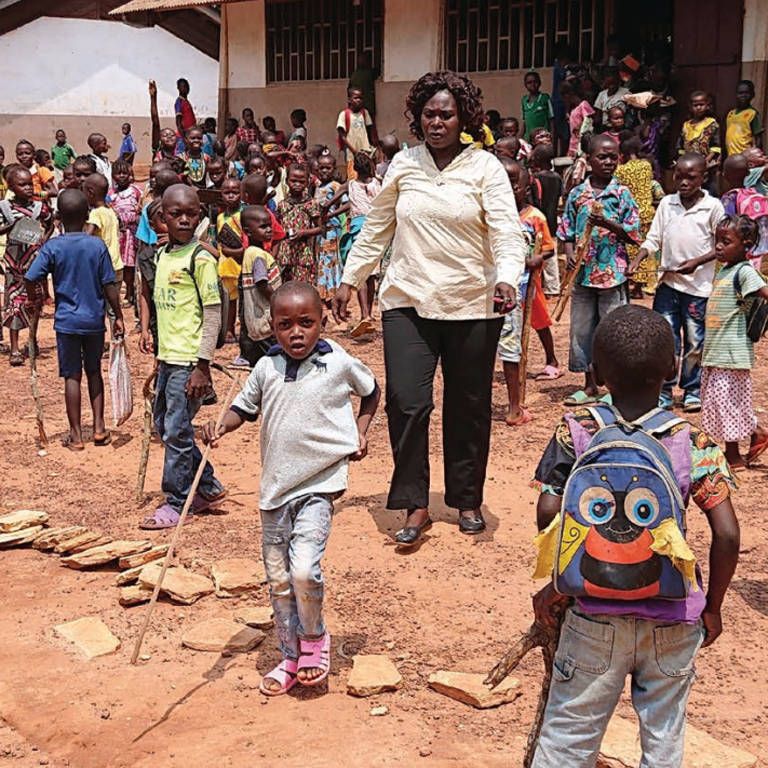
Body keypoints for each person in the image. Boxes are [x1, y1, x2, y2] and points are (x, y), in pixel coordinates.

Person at [530, 304, 739, 768]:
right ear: (670, 368)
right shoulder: (692, 441)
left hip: (592, 614)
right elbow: (726, 533)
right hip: (674, 615)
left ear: (598, 371)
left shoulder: (576, 431)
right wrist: (713, 605)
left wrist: (558, 584)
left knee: (568, 736)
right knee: (664, 738)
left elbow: (549, 508)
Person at [332, 70, 526, 542]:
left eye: (447, 114)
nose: (437, 121)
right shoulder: (402, 165)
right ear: (419, 118)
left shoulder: (485, 168)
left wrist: (506, 277)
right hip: (408, 300)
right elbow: (376, 228)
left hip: (472, 304)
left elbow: (505, 230)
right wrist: (349, 277)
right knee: (407, 402)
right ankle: (414, 504)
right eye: (429, 114)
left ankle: (466, 499)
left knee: (469, 406)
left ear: (464, 118)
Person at [202, 281, 380, 694]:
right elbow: (242, 409)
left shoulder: (337, 361)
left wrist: (361, 431)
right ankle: (290, 655)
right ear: (272, 326)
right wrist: (219, 428)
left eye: (306, 323)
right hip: (275, 490)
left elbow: (371, 394)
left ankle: (314, 640)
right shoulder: (266, 367)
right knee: (279, 579)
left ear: (321, 322)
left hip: (320, 483)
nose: (296, 333)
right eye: (285, 325)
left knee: (303, 569)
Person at [139, 184, 226, 529]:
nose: (185, 219)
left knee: (175, 431)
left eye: (191, 213)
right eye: (176, 214)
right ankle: (207, 486)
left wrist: (203, 365)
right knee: (167, 427)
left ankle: (176, 501)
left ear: (200, 216)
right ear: (163, 218)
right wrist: (159, 356)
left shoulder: (199, 259)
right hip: (169, 358)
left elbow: (212, 313)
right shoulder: (163, 257)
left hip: (191, 361)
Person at [24, 189, 124, 450]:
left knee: (72, 376)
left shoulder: (53, 246)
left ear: (58, 216)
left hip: (67, 322)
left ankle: (77, 436)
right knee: (94, 372)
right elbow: (109, 284)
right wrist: (119, 316)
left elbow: (30, 276)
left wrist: (32, 298)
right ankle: (100, 428)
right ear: (87, 215)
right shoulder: (96, 245)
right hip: (94, 321)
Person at [628, 153, 724, 412]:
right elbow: (653, 239)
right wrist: (638, 260)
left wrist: (697, 262)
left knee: (695, 341)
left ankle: (692, 390)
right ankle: (665, 390)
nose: (683, 182)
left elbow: (722, 245)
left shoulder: (713, 207)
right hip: (668, 286)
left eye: (690, 177)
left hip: (698, 289)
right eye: (678, 176)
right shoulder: (667, 204)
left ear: (703, 178)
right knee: (665, 340)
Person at [558, 134, 640, 405]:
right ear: (589, 160)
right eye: (601, 157)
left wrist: (608, 224)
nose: (607, 162)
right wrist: (569, 255)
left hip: (612, 275)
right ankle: (589, 385)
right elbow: (566, 231)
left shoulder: (621, 194)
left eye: (612, 157)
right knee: (582, 331)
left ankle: (615, 386)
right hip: (582, 275)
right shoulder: (577, 193)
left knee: (612, 330)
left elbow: (633, 234)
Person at [701, 214, 768, 469]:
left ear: (746, 243)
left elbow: (764, 292)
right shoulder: (725, 271)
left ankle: (733, 455)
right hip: (717, 349)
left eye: (726, 241)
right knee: (720, 403)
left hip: (732, 351)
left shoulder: (745, 271)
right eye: (717, 241)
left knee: (727, 403)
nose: (719, 246)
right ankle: (755, 433)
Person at [498, 158, 559, 426]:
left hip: (526, 285)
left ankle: (516, 403)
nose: (510, 190)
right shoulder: (491, 215)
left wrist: (536, 260)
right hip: (498, 288)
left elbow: (548, 247)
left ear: (525, 187)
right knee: (503, 339)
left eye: (515, 185)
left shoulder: (535, 217)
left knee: (534, 325)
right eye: (504, 184)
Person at [0, 166, 53, 365]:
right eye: (22, 185)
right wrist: (10, 227)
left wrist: (43, 242)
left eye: (30, 184)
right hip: (14, 264)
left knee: (34, 302)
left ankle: (32, 339)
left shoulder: (39, 207)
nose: (28, 188)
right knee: (14, 303)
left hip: (34, 262)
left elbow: (50, 224)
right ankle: (14, 348)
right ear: (11, 187)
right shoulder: (5, 208)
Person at [615, 135, 664, 297]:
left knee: (633, 250)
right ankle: (648, 283)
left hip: (631, 215)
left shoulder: (620, 170)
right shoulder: (646, 166)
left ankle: (636, 284)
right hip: (648, 212)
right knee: (647, 247)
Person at [340, 152, 382, 336]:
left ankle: (364, 314)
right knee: (371, 272)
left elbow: (337, 200)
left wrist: (327, 210)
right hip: (375, 228)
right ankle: (369, 314)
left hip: (359, 229)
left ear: (354, 169)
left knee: (361, 272)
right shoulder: (377, 183)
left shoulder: (350, 185)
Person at [237, 206, 282, 366]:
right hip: (266, 321)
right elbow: (262, 283)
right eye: (263, 227)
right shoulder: (258, 255)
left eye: (269, 225)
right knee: (277, 361)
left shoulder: (250, 252)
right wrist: (279, 301)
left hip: (256, 322)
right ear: (248, 232)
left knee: (259, 363)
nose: (269, 230)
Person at [274, 164, 322, 283]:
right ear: (286, 181)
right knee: (285, 287)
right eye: (293, 181)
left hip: (303, 253)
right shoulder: (282, 205)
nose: (297, 184)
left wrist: (303, 233)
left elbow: (321, 228)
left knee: (301, 287)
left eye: (301, 181)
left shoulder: (310, 204)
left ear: (307, 183)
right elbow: (277, 230)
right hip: (285, 253)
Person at [529, 143, 563, 298]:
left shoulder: (536, 179)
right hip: (553, 220)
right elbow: (560, 200)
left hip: (540, 221)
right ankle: (553, 287)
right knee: (552, 255)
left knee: (540, 253)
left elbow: (535, 201)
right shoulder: (557, 178)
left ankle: (541, 287)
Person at [314, 154, 348, 305]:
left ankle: (333, 293)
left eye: (328, 168)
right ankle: (324, 292)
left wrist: (331, 214)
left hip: (332, 229)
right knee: (322, 259)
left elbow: (347, 203)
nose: (324, 171)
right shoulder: (317, 187)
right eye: (321, 168)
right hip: (321, 230)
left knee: (331, 260)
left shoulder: (335, 186)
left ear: (334, 169)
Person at [109, 160, 142, 308]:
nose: (121, 176)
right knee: (118, 264)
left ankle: (130, 292)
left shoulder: (136, 191)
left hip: (132, 234)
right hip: (118, 235)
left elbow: (141, 209)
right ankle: (116, 295)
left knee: (130, 265)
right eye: (118, 173)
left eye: (125, 173)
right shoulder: (110, 194)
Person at [216, 176, 245, 345]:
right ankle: (228, 330)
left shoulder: (243, 215)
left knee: (244, 302)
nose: (231, 196)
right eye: (227, 193)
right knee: (229, 302)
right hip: (225, 266)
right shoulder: (220, 218)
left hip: (240, 265)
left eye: (235, 192)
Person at [678, 90, 721, 195]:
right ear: (690, 107)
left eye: (701, 105)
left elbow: (715, 146)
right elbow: (680, 146)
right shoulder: (686, 125)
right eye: (695, 105)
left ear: (707, 106)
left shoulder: (711, 124)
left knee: (708, 191)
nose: (698, 107)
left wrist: (705, 161)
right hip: (689, 167)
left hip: (706, 166)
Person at [337, 86, 374, 181]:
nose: (359, 100)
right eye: (356, 98)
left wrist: (371, 146)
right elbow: (342, 136)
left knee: (368, 177)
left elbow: (369, 130)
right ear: (349, 100)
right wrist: (354, 151)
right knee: (353, 178)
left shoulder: (364, 113)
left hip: (365, 152)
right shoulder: (344, 114)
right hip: (352, 155)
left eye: (361, 98)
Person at [725, 80, 762, 156]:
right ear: (736, 95)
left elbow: (758, 137)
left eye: (746, 93)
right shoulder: (730, 114)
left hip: (745, 156)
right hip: (731, 155)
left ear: (752, 95)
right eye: (740, 93)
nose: (743, 96)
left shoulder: (752, 113)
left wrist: (757, 155)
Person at [560, 81, 595, 158]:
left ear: (568, 95)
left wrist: (581, 127)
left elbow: (589, 121)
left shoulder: (583, 105)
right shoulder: (572, 108)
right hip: (573, 143)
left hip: (582, 144)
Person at [521, 70, 554, 143]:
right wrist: (520, 137)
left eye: (535, 82)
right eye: (529, 83)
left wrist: (552, 135)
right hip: (528, 138)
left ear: (539, 83)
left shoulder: (545, 98)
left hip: (542, 137)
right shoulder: (524, 100)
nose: (532, 84)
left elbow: (551, 119)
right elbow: (524, 121)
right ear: (525, 85)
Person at [348, 51, 379, 119]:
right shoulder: (369, 73)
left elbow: (349, 90)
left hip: (356, 106)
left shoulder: (354, 74)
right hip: (367, 105)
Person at [174, 77, 196, 153]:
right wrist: (184, 138)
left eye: (187, 86)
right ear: (178, 88)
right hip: (183, 137)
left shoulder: (186, 101)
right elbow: (178, 122)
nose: (185, 89)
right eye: (183, 86)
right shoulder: (179, 102)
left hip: (189, 135)